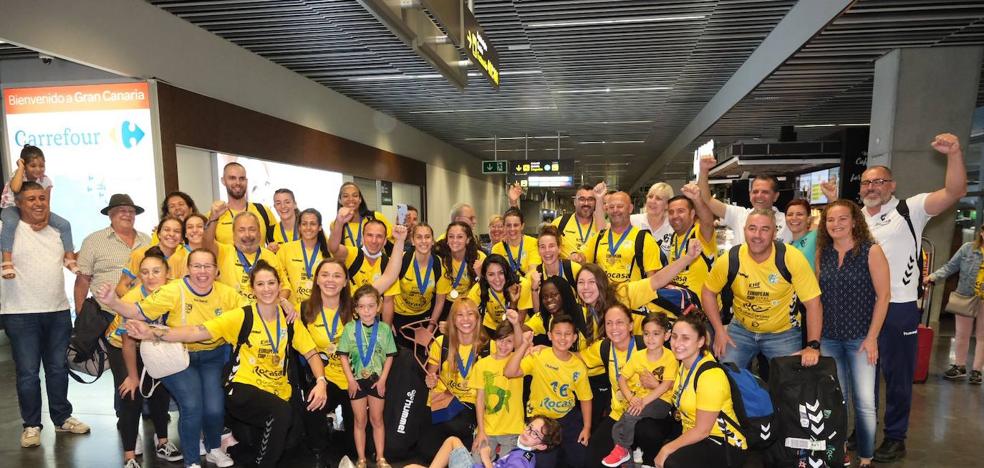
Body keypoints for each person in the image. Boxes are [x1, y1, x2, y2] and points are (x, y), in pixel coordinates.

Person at [126, 261, 328, 468]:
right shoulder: (242, 316)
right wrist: (153, 332)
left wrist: (321, 381)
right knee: (280, 414)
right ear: (252, 289)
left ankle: (243, 449)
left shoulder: (290, 319)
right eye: (260, 284)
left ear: (279, 286)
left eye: (271, 283)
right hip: (243, 388)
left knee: (288, 440)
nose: (266, 289)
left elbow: (312, 353)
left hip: (278, 392)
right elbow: (197, 331)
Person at [857, 133, 966, 463]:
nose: (871, 187)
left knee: (898, 376)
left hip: (900, 306)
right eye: (866, 182)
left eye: (879, 182)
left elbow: (954, 191)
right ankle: (862, 431)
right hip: (862, 308)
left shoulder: (910, 209)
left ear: (891, 185)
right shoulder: (855, 218)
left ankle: (895, 437)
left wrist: (955, 153)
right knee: (863, 376)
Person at [96, 249, 247, 468]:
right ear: (188, 269)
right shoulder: (173, 290)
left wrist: (283, 302)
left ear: (216, 270)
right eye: (196, 266)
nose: (202, 271)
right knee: (192, 405)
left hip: (212, 357)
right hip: (177, 357)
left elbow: (253, 311)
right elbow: (137, 311)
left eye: (207, 266)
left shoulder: (227, 294)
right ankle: (193, 461)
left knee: (215, 407)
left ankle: (214, 448)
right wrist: (113, 302)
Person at [1, 181, 90, 449]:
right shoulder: (8, 228)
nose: (38, 203)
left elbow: (70, 260)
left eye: (42, 197)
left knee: (58, 369)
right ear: (18, 203)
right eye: (30, 199)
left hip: (58, 311)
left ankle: (62, 418)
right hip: (20, 313)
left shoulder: (58, 229)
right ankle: (31, 425)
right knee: (28, 373)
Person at [297, 250, 406, 467]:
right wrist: (284, 302)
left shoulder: (356, 305)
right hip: (326, 380)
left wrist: (400, 240)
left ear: (346, 280)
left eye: (337, 275)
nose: (330, 280)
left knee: (356, 441)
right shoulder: (305, 308)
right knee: (312, 408)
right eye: (325, 274)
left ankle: (353, 450)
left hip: (357, 380)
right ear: (316, 279)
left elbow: (389, 276)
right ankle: (318, 452)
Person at [816, 200, 890, 468]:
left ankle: (867, 456)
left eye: (842, 219)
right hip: (829, 338)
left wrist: (872, 337)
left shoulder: (871, 251)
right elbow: (816, 300)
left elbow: (884, 297)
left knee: (865, 401)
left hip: (861, 338)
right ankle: (841, 448)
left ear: (855, 221)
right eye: (830, 220)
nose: (836, 224)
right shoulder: (821, 252)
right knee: (837, 398)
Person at [702, 209, 824, 369]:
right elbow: (708, 292)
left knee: (791, 387)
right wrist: (719, 330)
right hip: (741, 330)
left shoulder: (791, 258)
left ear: (774, 233)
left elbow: (813, 303)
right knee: (726, 377)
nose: (757, 235)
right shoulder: (731, 258)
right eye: (752, 228)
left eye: (764, 229)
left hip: (783, 333)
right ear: (745, 230)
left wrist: (813, 346)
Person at [106, 247, 182, 467]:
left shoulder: (174, 291)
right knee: (132, 395)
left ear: (167, 273)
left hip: (154, 345)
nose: (150, 277)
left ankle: (163, 442)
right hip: (124, 347)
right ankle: (129, 456)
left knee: (159, 390)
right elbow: (128, 342)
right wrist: (131, 376)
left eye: (156, 271)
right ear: (139, 276)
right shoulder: (132, 298)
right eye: (145, 272)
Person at [581, 306, 677, 468]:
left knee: (635, 420)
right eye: (609, 323)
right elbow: (621, 378)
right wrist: (632, 398)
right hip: (627, 407)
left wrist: (643, 400)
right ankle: (628, 456)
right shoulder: (630, 354)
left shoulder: (669, 356)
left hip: (659, 404)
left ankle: (636, 455)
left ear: (631, 326)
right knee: (615, 430)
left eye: (619, 322)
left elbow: (669, 385)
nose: (650, 338)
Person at [653, 314, 746, 468]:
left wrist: (667, 448)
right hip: (696, 435)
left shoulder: (710, 375)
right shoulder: (684, 364)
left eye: (685, 338)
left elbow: (703, 431)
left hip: (725, 442)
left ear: (701, 341)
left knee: (672, 462)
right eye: (674, 337)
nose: (677, 344)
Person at [504, 313, 592, 468]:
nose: (563, 338)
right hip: (540, 420)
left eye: (567, 334)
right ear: (550, 336)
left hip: (567, 418)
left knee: (580, 460)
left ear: (574, 338)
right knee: (544, 463)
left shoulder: (578, 366)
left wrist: (586, 427)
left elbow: (585, 399)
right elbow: (509, 372)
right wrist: (524, 345)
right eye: (558, 333)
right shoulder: (538, 356)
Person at [337, 285, 399, 468]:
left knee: (377, 419)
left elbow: (389, 357)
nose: (367, 311)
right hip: (356, 382)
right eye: (362, 306)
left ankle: (380, 457)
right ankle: (362, 458)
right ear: (355, 309)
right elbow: (343, 356)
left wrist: (383, 380)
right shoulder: (349, 329)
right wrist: (350, 380)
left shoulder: (385, 330)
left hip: (376, 382)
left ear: (379, 306)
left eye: (371, 306)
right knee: (359, 421)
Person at [422, 299, 488, 460]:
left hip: (469, 404)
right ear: (452, 319)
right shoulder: (441, 342)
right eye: (460, 315)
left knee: (455, 440)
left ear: (477, 318)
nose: (465, 319)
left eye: (470, 314)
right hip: (442, 401)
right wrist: (430, 381)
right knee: (427, 453)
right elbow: (432, 377)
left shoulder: (488, 347)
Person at [0, 145, 76, 278]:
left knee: (65, 224)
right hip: (11, 207)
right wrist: (20, 167)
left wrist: (45, 220)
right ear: (24, 164)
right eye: (33, 166)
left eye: (41, 166)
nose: (38, 169)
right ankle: (6, 260)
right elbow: (16, 189)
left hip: (35, 210)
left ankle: (69, 258)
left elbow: (46, 203)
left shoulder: (46, 180)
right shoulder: (19, 174)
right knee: (11, 223)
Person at [75, 193, 152, 316]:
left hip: (142, 313)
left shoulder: (147, 241)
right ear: (110, 214)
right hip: (105, 314)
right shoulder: (93, 241)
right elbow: (82, 280)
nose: (127, 214)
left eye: (131, 211)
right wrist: (81, 315)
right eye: (122, 211)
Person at [204, 202, 291, 303]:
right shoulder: (224, 252)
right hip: (233, 316)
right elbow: (207, 243)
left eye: (252, 229)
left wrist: (276, 304)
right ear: (233, 233)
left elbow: (285, 287)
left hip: (263, 316)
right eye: (241, 230)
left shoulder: (270, 256)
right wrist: (213, 219)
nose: (247, 234)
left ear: (259, 232)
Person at [928, 228, 984, 384]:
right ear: (981, 232)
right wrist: (933, 276)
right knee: (961, 334)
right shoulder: (967, 248)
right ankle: (960, 367)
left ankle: (977, 371)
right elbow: (950, 266)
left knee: (982, 337)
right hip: (965, 296)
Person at [328, 208, 402, 321]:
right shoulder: (353, 255)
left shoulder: (389, 264)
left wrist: (386, 332)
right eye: (370, 235)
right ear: (362, 238)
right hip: (345, 320)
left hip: (373, 322)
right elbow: (333, 248)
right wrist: (339, 222)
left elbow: (388, 301)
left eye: (379, 236)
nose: (374, 240)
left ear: (385, 241)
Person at [405, 416, 563, 468]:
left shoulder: (522, 460)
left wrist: (486, 457)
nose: (528, 432)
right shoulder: (523, 452)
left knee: (412, 467)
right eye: (530, 427)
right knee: (453, 441)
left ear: (542, 446)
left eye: (535, 434)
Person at [697, 156, 791, 243]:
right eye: (755, 191)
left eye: (765, 192)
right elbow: (707, 200)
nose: (759, 195)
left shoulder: (788, 222)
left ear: (775, 196)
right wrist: (703, 171)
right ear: (750, 195)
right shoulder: (738, 215)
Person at [470, 320, 527, 463]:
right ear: (494, 340)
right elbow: (480, 400)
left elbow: (522, 345)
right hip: (488, 429)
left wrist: (515, 323)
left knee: (507, 464)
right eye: (500, 340)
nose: (503, 345)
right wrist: (481, 431)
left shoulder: (519, 361)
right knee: (477, 461)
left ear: (515, 344)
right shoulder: (482, 365)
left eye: (509, 341)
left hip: (512, 429)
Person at [577, 191, 662, 286]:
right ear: (607, 209)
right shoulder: (598, 238)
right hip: (603, 298)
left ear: (630, 208)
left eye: (620, 206)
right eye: (611, 207)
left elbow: (653, 281)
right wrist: (577, 257)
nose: (615, 210)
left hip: (632, 299)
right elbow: (583, 260)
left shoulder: (644, 239)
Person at [394, 224, 451, 334]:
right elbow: (389, 293)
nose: (423, 241)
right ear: (412, 241)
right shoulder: (402, 259)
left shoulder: (439, 265)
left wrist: (430, 328)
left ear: (433, 240)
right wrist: (389, 323)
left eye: (427, 237)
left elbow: (440, 301)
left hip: (425, 318)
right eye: (419, 237)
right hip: (399, 316)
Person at [664, 185, 716, 300]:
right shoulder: (673, 238)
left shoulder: (700, 233)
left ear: (692, 214)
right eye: (671, 212)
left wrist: (697, 199)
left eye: (681, 211)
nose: (675, 216)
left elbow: (707, 221)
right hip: (680, 305)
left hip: (702, 310)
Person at [115, 216, 188, 296]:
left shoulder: (186, 258)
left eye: (177, 231)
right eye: (167, 230)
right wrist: (136, 306)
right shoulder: (141, 254)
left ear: (182, 238)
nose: (171, 234)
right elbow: (121, 287)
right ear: (159, 234)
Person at [208, 162, 276, 245]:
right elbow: (207, 247)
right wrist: (213, 219)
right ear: (223, 181)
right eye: (232, 178)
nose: (238, 183)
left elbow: (276, 244)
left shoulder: (263, 211)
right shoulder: (213, 216)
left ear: (246, 181)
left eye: (242, 178)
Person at [467, 254, 533, 336]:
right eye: (491, 274)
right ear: (485, 277)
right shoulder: (479, 288)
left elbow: (517, 324)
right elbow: (464, 308)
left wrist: (513, 303)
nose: (497, 279)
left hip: (519, 327)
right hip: (492, 327)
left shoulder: (521, 285)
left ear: (507, 272)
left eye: (501, 273)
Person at [277, 208, 331, 304]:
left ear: (320, 227)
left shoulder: (329, 251)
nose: (308, 227)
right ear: (299, 227)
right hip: (292, 310)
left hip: (321, 307)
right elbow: (279, 280)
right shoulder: (285, 249)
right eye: (304, 224)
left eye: (313, 224)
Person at [434, 222, 486, 310]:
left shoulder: (479, 258)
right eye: (451, 236)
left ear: (468, 240)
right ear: (447, 239)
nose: (455, 240)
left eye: (460, 237)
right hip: (447, 304)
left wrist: (481, 275)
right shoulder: (441, 259)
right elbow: (440, 299)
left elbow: (488, 290)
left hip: (471, 302)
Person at [551, 184, 608, 259]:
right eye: (582, 199)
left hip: (592, 269)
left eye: (590, 199)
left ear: (595, 202)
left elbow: (604, 247)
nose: (586, 203)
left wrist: (600, 197)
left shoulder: (601, 225)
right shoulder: (559, 223)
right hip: (566, 270)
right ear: (575, 202)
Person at [333, 182, 393, 249]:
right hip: (349, 259)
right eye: (346, 196)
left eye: (355, 195)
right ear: (340, 200)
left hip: (377, 259)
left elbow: (393, 240)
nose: (351, 199)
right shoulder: (336, 224)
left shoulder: (375, 217)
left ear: (360, 199)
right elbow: (334, 249)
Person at [532, 225, 582, 302]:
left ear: (559, 249)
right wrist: (534, 288)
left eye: (551, 246)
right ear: (538, 250)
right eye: (542, 247)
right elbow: (537, 311)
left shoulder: (574, 269)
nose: (547, 250)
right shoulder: (536, 274)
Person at [630, 182, 675, 260]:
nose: (652, 201)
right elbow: (605, 233)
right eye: (650, 197)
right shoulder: (632, 221)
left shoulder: (674, 226)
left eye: (658, 198)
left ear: (667, 204)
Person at [492, 208, 541, 277]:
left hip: (528, 286)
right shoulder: (497, 249)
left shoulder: (533, 243)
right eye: (508, 225)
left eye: (516, 225)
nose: (512, 229)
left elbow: (533, 272)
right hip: (507, 287)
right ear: (504, 227)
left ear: (522, 226)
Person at [786, 199, 818, 270]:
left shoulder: (816, 235)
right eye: (790, 214)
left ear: (808, 218)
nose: (794, 218)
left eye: (799, 214)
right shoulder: (786, 246)